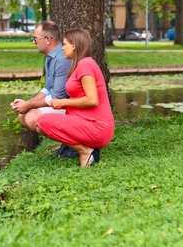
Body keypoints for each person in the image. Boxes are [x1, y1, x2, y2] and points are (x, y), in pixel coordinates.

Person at [36, 29, 115, 167]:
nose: (62, 47)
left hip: (97, 126)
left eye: (65, 44)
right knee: (41, 122)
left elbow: (92, 100)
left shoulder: (86, 65)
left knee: (43, 121)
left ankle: (85, 151)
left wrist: (63, 102)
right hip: (85, 121)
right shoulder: (80, 64)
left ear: (74, 46)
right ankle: (86, 150)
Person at [10, 21, 77, 159]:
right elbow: (48, 88)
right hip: (60, 103)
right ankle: (68, 144)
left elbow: (57, 96)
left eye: (35, 38)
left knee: (31, 117)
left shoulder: (62, 59)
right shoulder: (50, 57)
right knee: (23, 115)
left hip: (72, 107)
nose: (33, 42)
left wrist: (29, 105)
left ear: (47, 39)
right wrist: (26, 103)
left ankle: (75, 146)